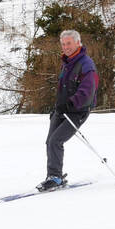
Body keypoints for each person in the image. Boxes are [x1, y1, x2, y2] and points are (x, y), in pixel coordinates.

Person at [39, 29, 98, 191]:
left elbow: (88, 90)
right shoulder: (67, 63)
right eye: (63, 44)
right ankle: (53, 175)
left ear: (78, 43)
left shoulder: (86, 64)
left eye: (69, 43)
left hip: (77, 111)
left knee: (56, 141)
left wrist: (71, 104)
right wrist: (58, 106)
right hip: (60, 110)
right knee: (50, 141)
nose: (65, 47)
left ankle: (56, 178)